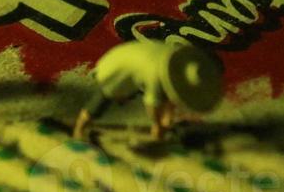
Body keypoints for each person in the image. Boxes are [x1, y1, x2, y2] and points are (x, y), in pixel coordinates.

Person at [72, 37, 225, 141]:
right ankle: (80, 127)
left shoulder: (176, 61)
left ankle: (163, 124)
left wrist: (167, 120)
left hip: (133, 62)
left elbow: (171, 93)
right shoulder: (157, 75)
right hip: (116, 69)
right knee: (103, 99)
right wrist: (157, 125)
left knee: (162, 95)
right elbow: (152, 104)